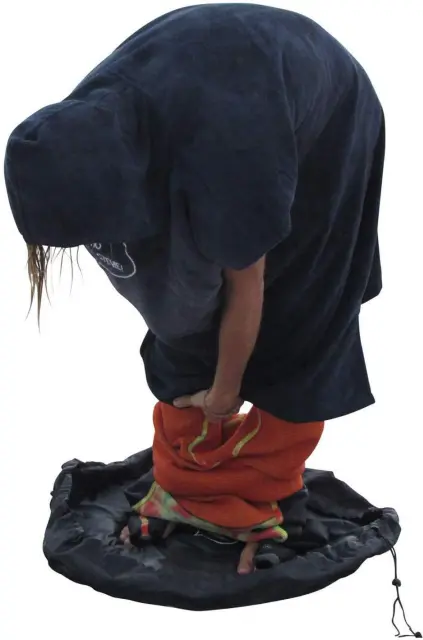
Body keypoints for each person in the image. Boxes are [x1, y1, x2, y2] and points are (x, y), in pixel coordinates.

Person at [4, 4, 384, 575]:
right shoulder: (76, 134)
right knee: (187, 324)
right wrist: (189, 357)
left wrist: (225, 392)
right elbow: (165, 284)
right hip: (216, 88)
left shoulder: (225, 157)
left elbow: (246, 285)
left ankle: (256, 502)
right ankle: (188, 489)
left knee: (301, 313)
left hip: (327, 115)